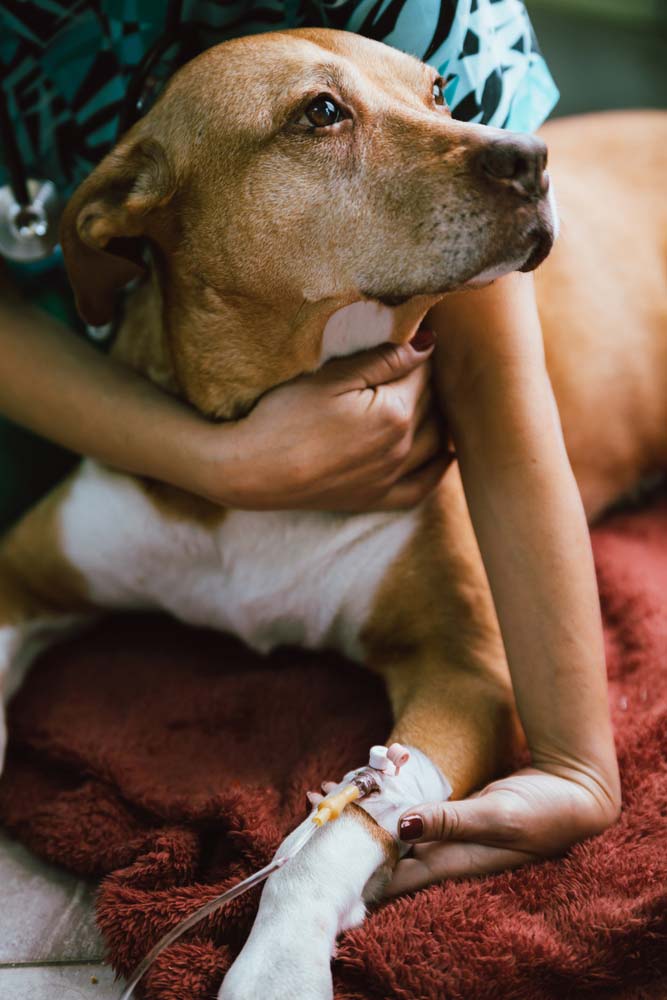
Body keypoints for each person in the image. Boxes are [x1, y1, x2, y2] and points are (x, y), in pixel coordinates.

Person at [0, 0, 620, 891]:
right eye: (322, 116)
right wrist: (207, 458)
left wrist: (574, 761)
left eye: (434, 100)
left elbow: (497, 408)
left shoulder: (418, 13)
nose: (507, 152)